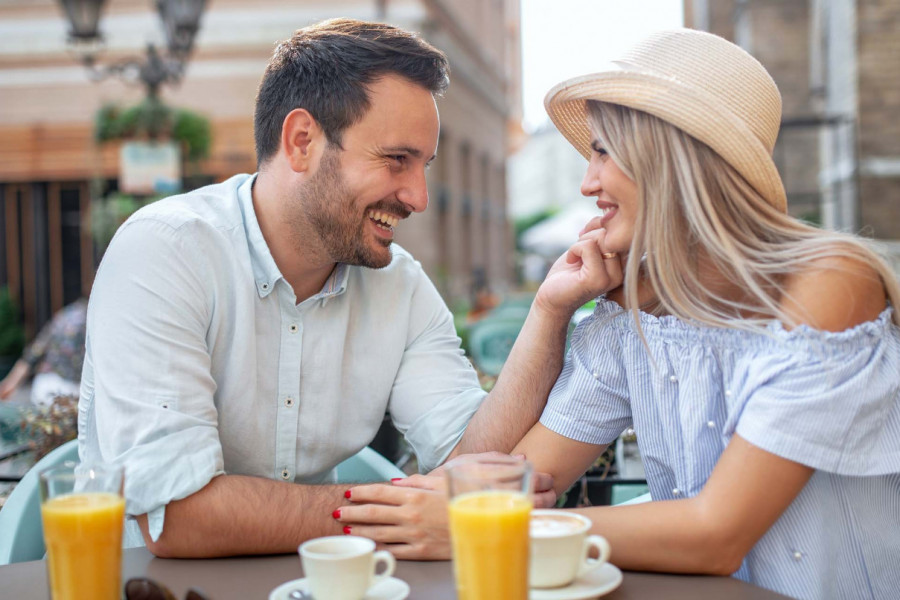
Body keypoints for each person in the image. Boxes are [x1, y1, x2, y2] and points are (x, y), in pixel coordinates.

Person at [337, 29, 900, 599]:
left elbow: (717, 535)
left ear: (671, 156)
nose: (588, 183)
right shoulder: (628, 314)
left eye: (603, 151)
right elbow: (515, 476)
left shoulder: (832, 283)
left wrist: (483, 525)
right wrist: (550, 307)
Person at [79, 18, 568, 559]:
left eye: (423, 166)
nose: (418, 197)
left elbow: (473, 462)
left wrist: (550, 308)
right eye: (396, 160)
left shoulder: (399, 284)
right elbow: (177, 517)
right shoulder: (164, 250)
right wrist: (407, 511)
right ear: (302, 142)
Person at [0, 298, 87, 407]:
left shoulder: (65, 314)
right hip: (71, 390)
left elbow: (34, 353)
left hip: (44, 386)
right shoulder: (91, 318)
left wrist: (10, 383)